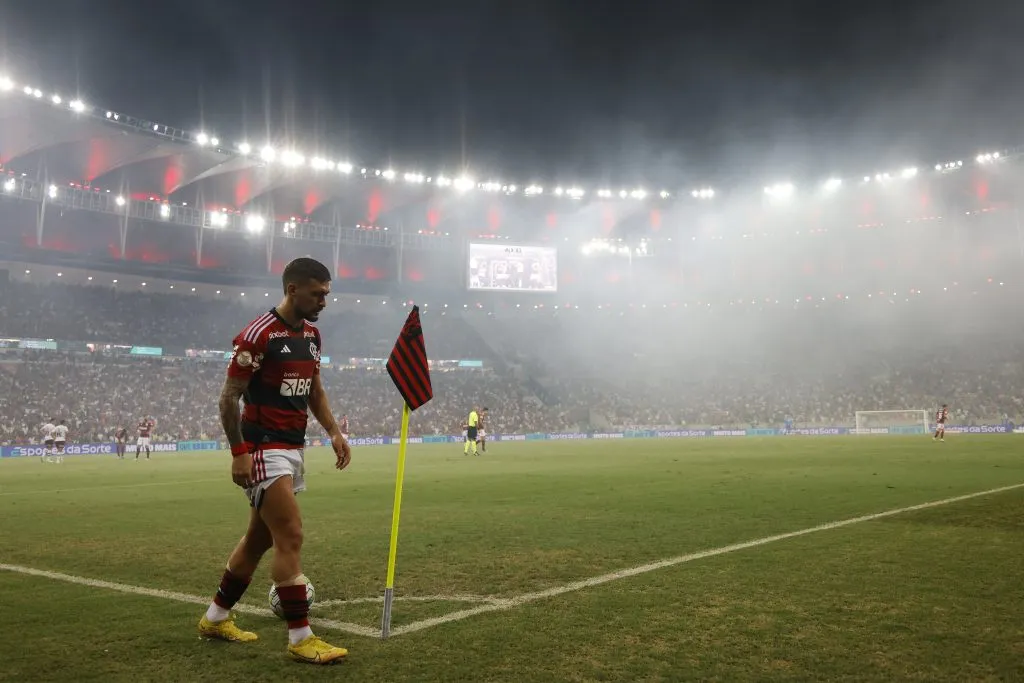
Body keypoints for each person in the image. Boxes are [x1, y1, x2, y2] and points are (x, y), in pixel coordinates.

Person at [197, 257, 351, 665]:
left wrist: (334, 430)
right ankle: (301, 639)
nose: (324, 301)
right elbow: (229, 397)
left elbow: (314, 388)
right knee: (291, 534)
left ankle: (215, 618)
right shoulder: (257, 335)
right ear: (292, 290)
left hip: (293, 447)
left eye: (327, 294)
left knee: (258, 539)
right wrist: (238, 452)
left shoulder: (313, 336)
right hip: (264, 448)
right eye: (318, 294)